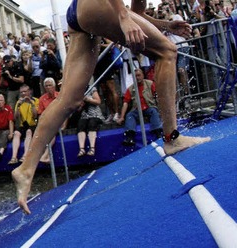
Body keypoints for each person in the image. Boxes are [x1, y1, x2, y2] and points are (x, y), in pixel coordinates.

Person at [12, 0, 211, 215]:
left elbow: (136, 12)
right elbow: (128, 14)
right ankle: (172, 138)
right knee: (167, 51)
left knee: (69, 100)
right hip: (96, 5)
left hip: (80, 12)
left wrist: (163, 25)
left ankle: (25, 169)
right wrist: (124, 19)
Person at [116, 69, 164, 146]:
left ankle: (158, 133)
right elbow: (125, 103)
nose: (137, 78)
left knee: (154, 112)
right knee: (129, 115)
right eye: (135, 76)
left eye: (139, 75)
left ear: (142, 75)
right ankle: (130, 137)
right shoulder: (130, 88)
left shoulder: (150, 84)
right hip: (137, 109)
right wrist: (122, 117)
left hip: (149, 107)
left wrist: (161, 110)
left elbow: (157, 97)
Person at [8, 84, 38, 165]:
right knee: (16, 133)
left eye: (25, 91)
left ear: (29, 92)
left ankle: (25, 155)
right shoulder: (19, 102)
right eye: (21, 92)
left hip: (33, 125)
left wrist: (31, 104)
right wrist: (18, 106)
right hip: (23, 125)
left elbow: (36, 115)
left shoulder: (35, 100)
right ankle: (14, 157)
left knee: (28, 131)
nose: (23, 93)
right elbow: (15, 117)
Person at [77, 89, 105, 156]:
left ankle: (92, 148)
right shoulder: (77, 92)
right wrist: (80, 105)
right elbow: (77, 109)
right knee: (80, 124)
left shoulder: (92, 89)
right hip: (85, 116)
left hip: (95, 115)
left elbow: (98, 101)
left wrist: (88, 99)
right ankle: (82, 149)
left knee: (92, 123)